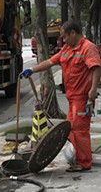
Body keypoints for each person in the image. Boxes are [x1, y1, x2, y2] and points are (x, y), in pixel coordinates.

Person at [21, 20, 101, 172]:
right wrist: (32, 69)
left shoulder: (88, 48)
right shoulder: (67, 49)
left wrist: (93, 89)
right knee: (70, 129)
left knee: (79, 130)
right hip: (72, 99)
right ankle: (78, 158)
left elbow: (96, 68)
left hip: (82, 98)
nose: (63, 40)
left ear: (73, 33)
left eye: (64, 37)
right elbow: (50, 62)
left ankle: (84, 162)